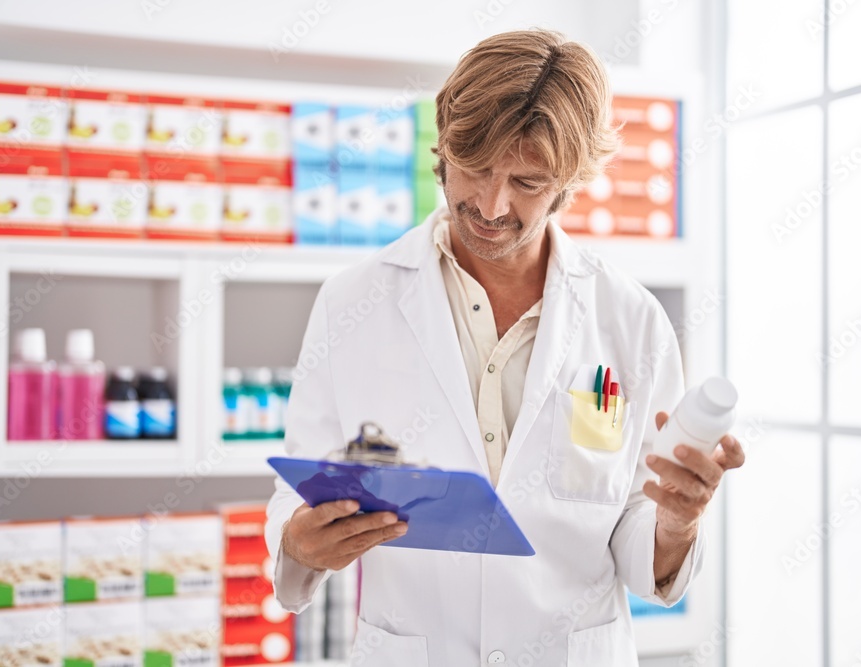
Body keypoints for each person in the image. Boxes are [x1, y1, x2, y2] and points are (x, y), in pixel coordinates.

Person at [264, 28, 745, 666]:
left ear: (569, 183)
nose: (492, 204)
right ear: (442, 147)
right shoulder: (353, 302)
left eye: (527, 181)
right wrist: (299, 543)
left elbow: (636, 540)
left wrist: (677, 522)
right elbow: (298, 493)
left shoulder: (631, 320)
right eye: (477, 169)